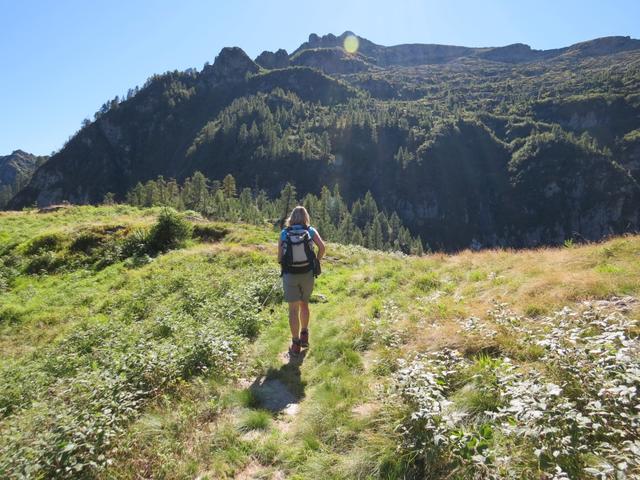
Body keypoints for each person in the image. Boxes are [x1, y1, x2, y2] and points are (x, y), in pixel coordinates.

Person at [278, 206, 325, 356]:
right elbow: (322, 247)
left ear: (291, 218)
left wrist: (284, 264)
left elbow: (279, 257)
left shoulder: (284, 233)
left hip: (290, 274)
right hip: (307, 273)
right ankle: (304, 335)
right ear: (305, 217)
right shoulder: (310, 231)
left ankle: (296, 344)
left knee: (293, 309)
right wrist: (316, 261)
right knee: (305, 304)